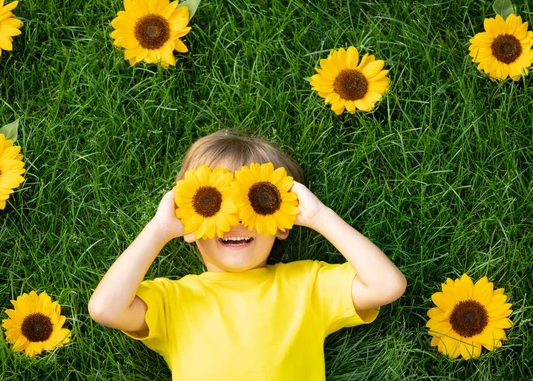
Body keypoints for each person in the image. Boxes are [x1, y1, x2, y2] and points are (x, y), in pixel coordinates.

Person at [88, 129, 407, 380]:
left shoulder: (307, 285)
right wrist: (159, 229)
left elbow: (386, 286)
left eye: (255, 203)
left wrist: (320, 216)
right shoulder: (173, 300)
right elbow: (105, 308)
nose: (236, 220)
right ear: (187, 223)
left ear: (284, 220)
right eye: (214, 204)